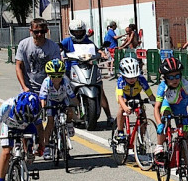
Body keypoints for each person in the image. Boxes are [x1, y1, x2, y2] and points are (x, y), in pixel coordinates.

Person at [153, 57, 188, 181]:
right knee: (166, 116)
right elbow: (156, 108)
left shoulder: (186, 84)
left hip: (181, 106)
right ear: (165, 78)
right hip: (167, 105)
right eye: (171, 77)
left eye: (177, 76)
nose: (175, 79)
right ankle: (160, 146)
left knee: (185, 138)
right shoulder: (162, 86)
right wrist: (159, 124)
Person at [15, 17, 61, 154]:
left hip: (48, 87)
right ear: (31, 31)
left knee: (49, 117)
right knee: (30, 120)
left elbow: (57, 67)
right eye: (36, 32)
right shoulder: (24, 45)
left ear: (46, 31)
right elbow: (18, 66)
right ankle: (26, 149)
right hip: (30, 88)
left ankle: (45, 146)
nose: (39, 34)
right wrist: (24, 87)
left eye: (42, 31)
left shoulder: (52, 46)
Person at [60, 19, 114, 126]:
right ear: (71, 31)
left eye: (80, 32)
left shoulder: (88, 42)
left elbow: (97, 50)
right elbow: (59, 48)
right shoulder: (67, 41)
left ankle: (109, 116)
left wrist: (102, 53)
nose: (78, 34)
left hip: (87, 68)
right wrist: (60, 55)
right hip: (71, 70)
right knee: (63, 89)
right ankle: (63, 114)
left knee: (100, 89)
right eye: (76, 32)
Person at [39, 59, 77, 160]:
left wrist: (76, 106)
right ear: (49, 76)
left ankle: (69, 126)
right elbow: (43, 98)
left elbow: (72, 96)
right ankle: (46, 147)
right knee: (50, 122)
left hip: (63, 100)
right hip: (51, 101)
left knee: (69, 112)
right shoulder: (46, 82)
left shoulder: (65, 81)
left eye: (59, 76)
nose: (56, 79)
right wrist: (44, 108)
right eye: (53, 77)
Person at [114, 57, 155, 142]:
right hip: (124, 96)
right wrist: (125, 108)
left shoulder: (141, 79)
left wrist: (156, 106)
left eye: (134, 77)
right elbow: (120, 98)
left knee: (142, 113)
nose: (132, 79)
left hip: (136, 95)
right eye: (128, 77)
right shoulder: (121, 80)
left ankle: (141, 138)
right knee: (122, 107)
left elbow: (150, 95)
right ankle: (120, 131)